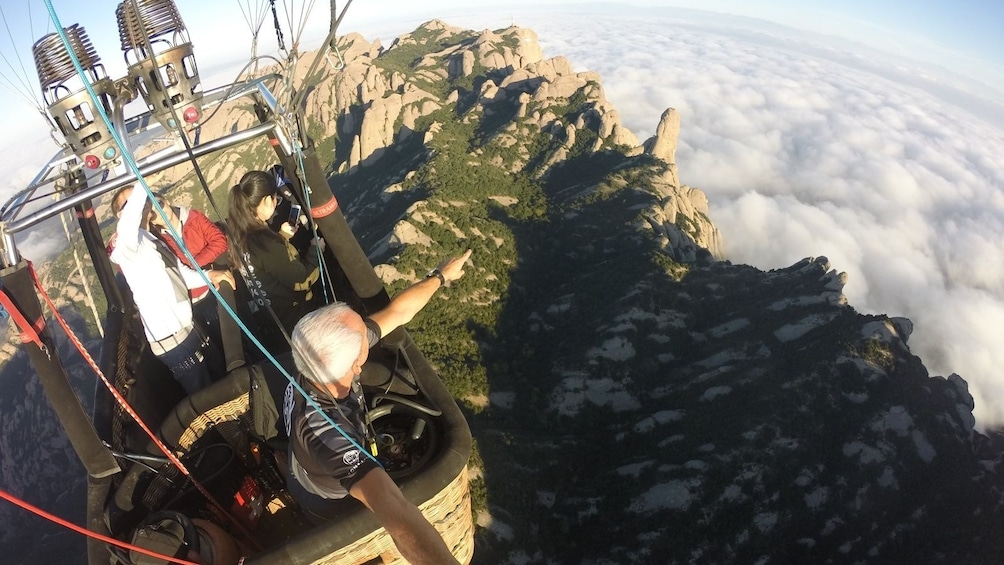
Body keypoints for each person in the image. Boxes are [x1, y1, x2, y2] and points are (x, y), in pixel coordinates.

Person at [284, 249, 473, 565]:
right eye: (364, 341)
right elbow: (396, 513)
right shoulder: (325, 429)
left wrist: (440, 276)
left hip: (315, 460)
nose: (369, 333)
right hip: (326, 499)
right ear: (356, 363)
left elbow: (397, 313)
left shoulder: (318, 359)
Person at [110, 185, 234, 396]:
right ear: (121, 215)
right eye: (131, 203)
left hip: (187, 324)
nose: (143, 202)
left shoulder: (151, 239)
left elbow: (181, 273)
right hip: (172, 338)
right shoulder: (127, 247)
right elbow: (128, 224)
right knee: (206, 393)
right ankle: (227, 429)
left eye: (144, 199)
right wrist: (141, 183)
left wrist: (209, 275)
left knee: (219, 370)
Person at [228, 170, 321, 335]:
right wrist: (316, 250)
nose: (277, 202)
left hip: (273, 316)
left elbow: (263, 262)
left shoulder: (239, 236)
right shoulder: (266, 243)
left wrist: (282, 236)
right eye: (275, 198)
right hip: (296, 317)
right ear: (265, 201)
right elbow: (302, 280)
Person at [148, 196, 229, 341]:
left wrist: (192, 264)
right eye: (153, 214)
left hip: (210, 290)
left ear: (166, 200)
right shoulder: (158, 241)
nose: (160, 212)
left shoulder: (193, 218)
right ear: (152, 221)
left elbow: (220, 241)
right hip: (188, 302)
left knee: (224, 334)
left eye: (159, 204)